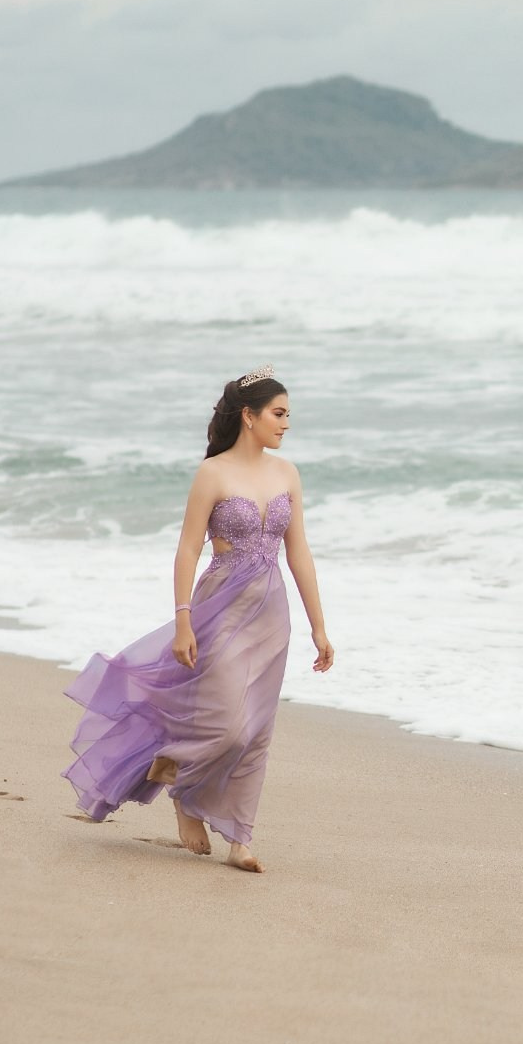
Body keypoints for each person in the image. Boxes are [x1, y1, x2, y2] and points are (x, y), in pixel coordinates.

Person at [60, 366, 333, 872]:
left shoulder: (287, 474)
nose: (287, 423)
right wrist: (183, 620)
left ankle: (241, 839)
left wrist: (319, 626)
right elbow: (187, 550)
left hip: (272, 611)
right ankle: (182, 789)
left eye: (288, 414)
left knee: (256, 731)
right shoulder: (212, 474)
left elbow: (300, 553)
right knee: (227, 726)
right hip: (220, 607)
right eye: (279, 413)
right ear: (249, 417)